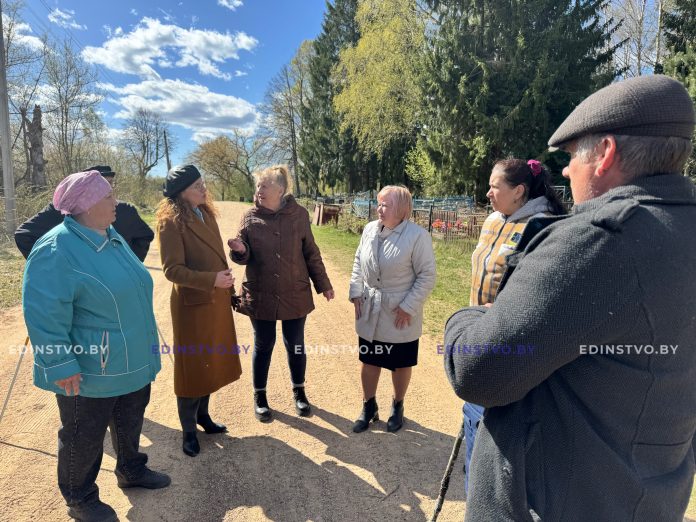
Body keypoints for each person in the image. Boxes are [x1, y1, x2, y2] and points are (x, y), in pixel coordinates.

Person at [444, 74, 696, 521]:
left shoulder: (599, 240)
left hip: (555, 501)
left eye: (574, 154)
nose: (564, 170)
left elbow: (478, 370)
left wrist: (466, 318)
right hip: (647, 496)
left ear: (605, 153)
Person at [22, 170, 169, 522]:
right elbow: (43, 313)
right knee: (83, 435)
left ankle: (131, 469)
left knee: (130, 417)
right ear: (87, 205)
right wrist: (59, 363)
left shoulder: (110, 235)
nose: (116, 202)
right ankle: (80, 498)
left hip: (131, 356)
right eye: (108, 197)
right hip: (91, 366)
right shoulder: (56, 249)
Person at [463, 158, 567, 491]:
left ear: (519, 191)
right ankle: (475, 489)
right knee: (474, 420)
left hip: (509, 347)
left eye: (495, 186)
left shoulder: (542, 227)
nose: (488, 193)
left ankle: (490, 495)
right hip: (480, 336)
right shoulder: (492, 220)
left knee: (495, 431)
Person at [229, 165, 334, 422]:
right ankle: (260, 396)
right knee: (263, 344)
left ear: (280, 189)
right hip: (260, 293)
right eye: (258, 185)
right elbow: (243, 254)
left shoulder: (299, 215)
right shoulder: (249, 217)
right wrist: (240, 250)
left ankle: (299, 392)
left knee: (295, 344)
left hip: (294, 292)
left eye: (264, 185)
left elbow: (310, 252)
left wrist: (324, 284)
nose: (259, 190)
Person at [157, 165, 243, 457]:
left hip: (215, 301)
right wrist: (212, 281)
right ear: (181, 192)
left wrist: (227, 287)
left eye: (202, 183)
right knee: (191, 369)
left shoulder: (205, 213)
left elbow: (217, 258)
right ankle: (188, 431)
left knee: (211, 362)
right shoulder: (170, 222)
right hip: (192, 307)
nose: (203, 189)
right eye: (196, 186)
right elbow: (172, 270)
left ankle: (203, 417)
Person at [349, 186, 436, 433]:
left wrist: (408, 307)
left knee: (400, 362)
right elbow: (358, 262)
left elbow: (427, 275)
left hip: (400, 312)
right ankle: (369, 406)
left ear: (402, 209)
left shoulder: (417, 236)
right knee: (369, 359)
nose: (379, 209)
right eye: (379, 203)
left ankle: (398, 405)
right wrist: (355, 291)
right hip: (371, 307)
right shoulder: (369, 229)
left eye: (385, 205)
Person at [14, 165, 154, 262]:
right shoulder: (62, 210)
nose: (105, 189)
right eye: (98, 185)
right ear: (80, 189)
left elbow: (144, 235)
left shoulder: (125, 210)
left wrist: (129, 264)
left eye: (109, 184)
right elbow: (24, 235)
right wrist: (55, 268)